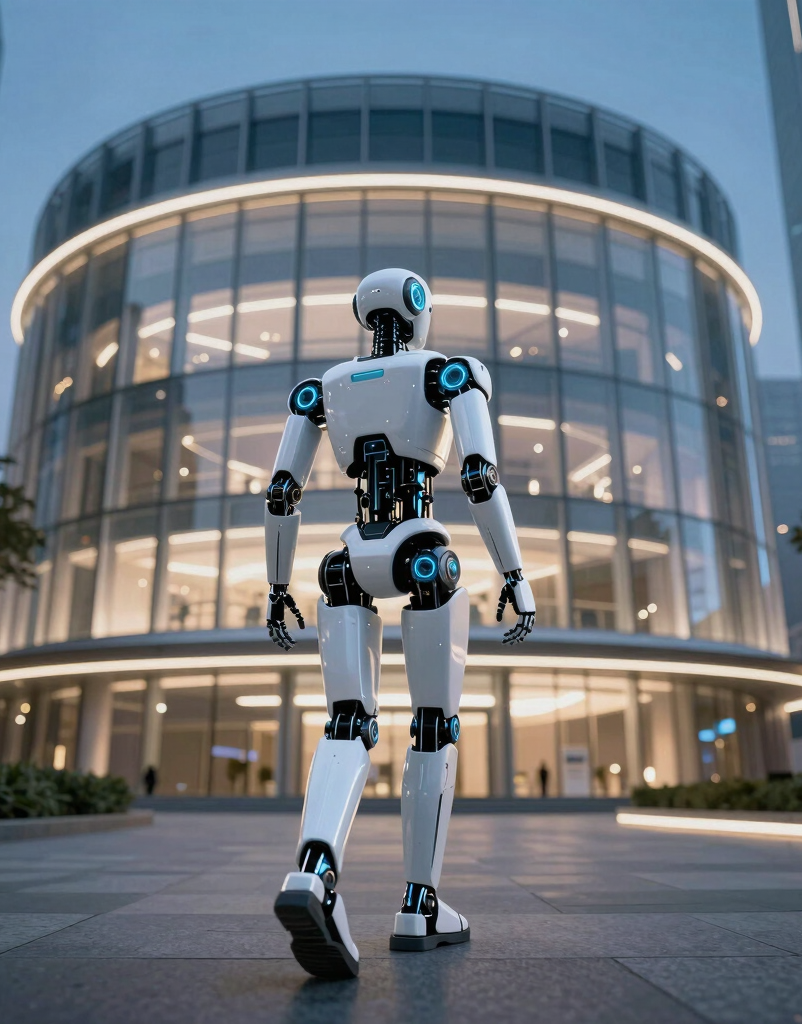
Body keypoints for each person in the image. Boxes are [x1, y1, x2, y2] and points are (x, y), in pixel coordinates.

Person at [265, 268, 536, 980]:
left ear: (363, 312)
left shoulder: (324, 386)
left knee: (347, 721)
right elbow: (480, 475)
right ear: (417, 310)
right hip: (419, 549)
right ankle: (419, 905)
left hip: (345, 556)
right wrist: (514, 574)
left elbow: (280, 493)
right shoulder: (447, 371)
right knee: (431, 725)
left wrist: (274, 586)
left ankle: (316, 871)